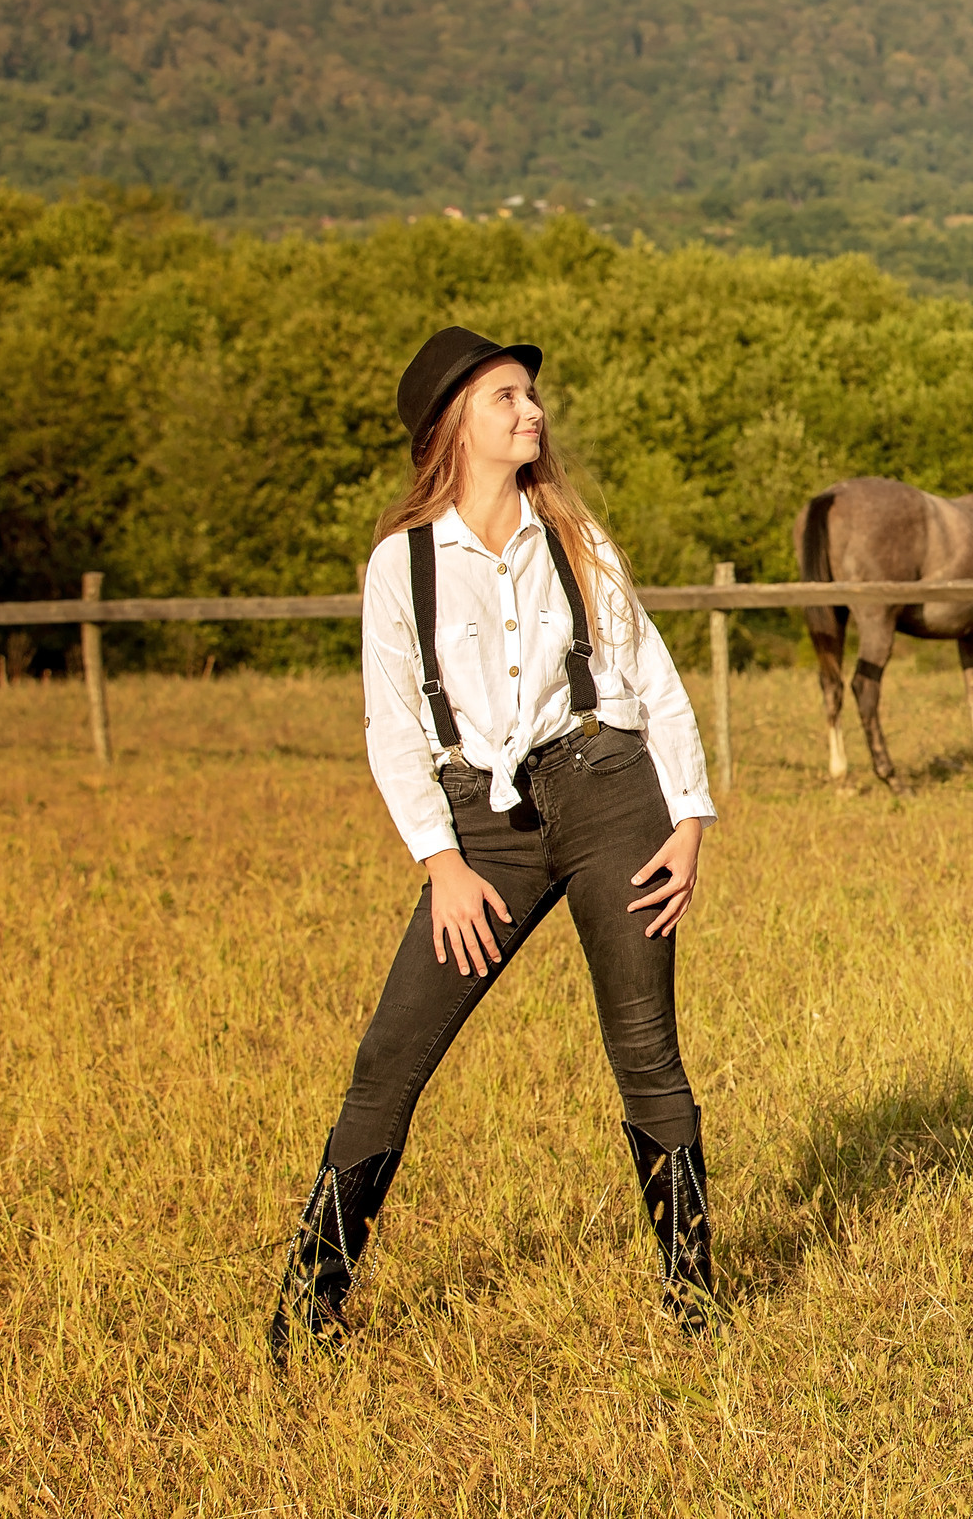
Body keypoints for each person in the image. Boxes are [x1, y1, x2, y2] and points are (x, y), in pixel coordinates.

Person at [268, 326, 721, 1360]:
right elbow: (392, 726)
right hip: (481, 828)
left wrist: (688, 820)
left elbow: (648, 675)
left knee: (647, 1054)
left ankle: (692, 1300)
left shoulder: (575, 536)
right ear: (452, 427)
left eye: (530, 396)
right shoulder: (402, 563)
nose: (531, 412)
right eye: (506, 397)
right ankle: (308, 1312)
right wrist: (442, 865)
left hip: (611, 796)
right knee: (389, 1059)